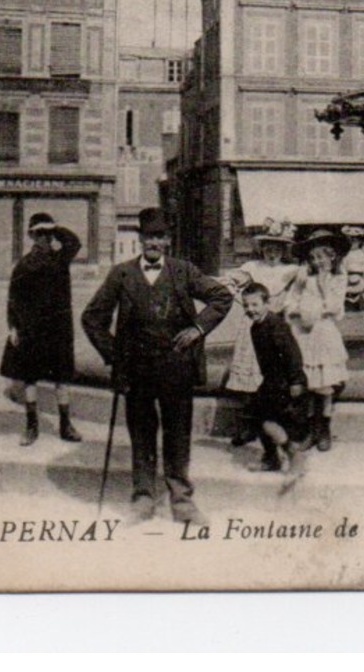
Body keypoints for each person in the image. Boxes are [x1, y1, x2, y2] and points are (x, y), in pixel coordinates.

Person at [81, 207, 232, 524]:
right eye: (149, 236)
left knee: (178, 433)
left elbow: (221, 296)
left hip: (176, 369)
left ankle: (182, 501)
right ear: (140, 239)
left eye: (160, 237)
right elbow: (92, 318)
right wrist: (116, 353)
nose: (154, 243)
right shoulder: (122, 274)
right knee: (141, 433)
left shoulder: (183, 271)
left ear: (168, 241)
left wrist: (198, 329)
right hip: (136, 371)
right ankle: (143, 498)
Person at [0, 213, 83, 446]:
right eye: (39, 233)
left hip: (59, 328)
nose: (44, 238)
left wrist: (56, 228)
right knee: (30, 379)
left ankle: (66, 425)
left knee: (62, 378)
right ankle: (31, 425)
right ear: (31, 236)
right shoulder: (24, 265)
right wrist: (13, 327)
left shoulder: (61, 258)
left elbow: (74, 242)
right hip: (32, 328)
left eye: (48, 234)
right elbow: (13, 299)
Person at [219, 220, 300, 444]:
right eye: (268, 247)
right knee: (249, 373)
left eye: (277, 248)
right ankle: (248, 424)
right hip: (254, 325)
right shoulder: (252, 268)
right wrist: (243, 301)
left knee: (274, 376)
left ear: (283, 250)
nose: (272, 252)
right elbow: (229, 282)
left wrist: (289, 307)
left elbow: (300, 291)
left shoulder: (290, 270)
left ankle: (277, 425)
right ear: (262, 248)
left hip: (276, 324)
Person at [288, 229, 351, 451]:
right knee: (306, 383)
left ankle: (324, 429)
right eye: (313, 258)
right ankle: (308, 430)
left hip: (323, 331)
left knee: (324, 384)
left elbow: (334, 307)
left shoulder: (338, 278)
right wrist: (297, 310)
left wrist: (323, 286)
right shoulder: (304, 277)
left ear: (332, 256)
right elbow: (292, 300)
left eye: (321, 257)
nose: (317, 262)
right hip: (304, 332)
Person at [237, 283, 308, 474]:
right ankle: (271, 459)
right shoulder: (256, 328)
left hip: (286, 381)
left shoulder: (276, 325)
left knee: (268, 421)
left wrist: (295, 381)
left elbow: (293, 354)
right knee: (257, 416)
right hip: (271, 380)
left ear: (267, 303)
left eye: (255, 305)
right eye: (246, 305)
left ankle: (294, 455)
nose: (250, 310)